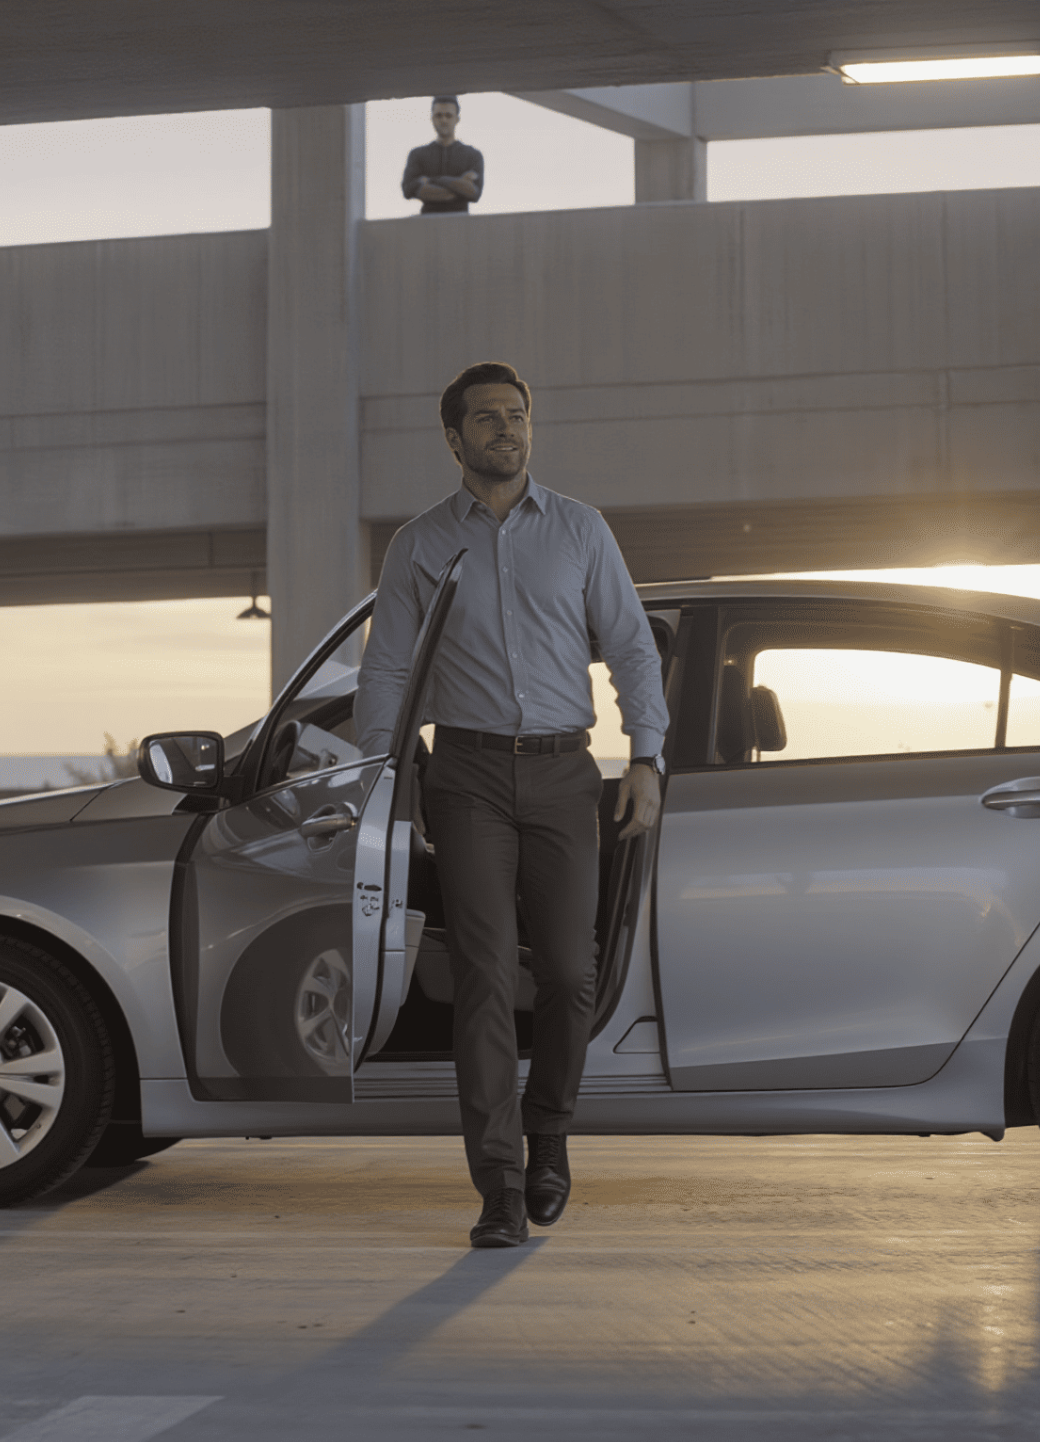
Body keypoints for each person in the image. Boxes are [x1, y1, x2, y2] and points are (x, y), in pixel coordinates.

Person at [357, 362, 668, 1250]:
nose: (507, 428)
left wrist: (646, 755)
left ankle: (550, 1137)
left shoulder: (580, 530)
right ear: (453, 440)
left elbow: (633, 650)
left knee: (571, 972)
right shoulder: (418, 544)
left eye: (517, 414)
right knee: (485, 978)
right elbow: (388, 669)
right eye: (487, 418)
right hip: (466, 777)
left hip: (567, 774)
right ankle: (497, 1184)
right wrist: (389, 773)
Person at [401, 96, 485, 214]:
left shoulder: (472, 155)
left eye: (448, 115)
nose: (444, 120)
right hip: (426, 226)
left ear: (457, 119)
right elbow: (408, 191)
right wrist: (460, 183)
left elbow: (474, 193)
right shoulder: (418, 154)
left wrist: (431, 180)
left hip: (461, 226)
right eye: (439, 115)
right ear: (432, 118)